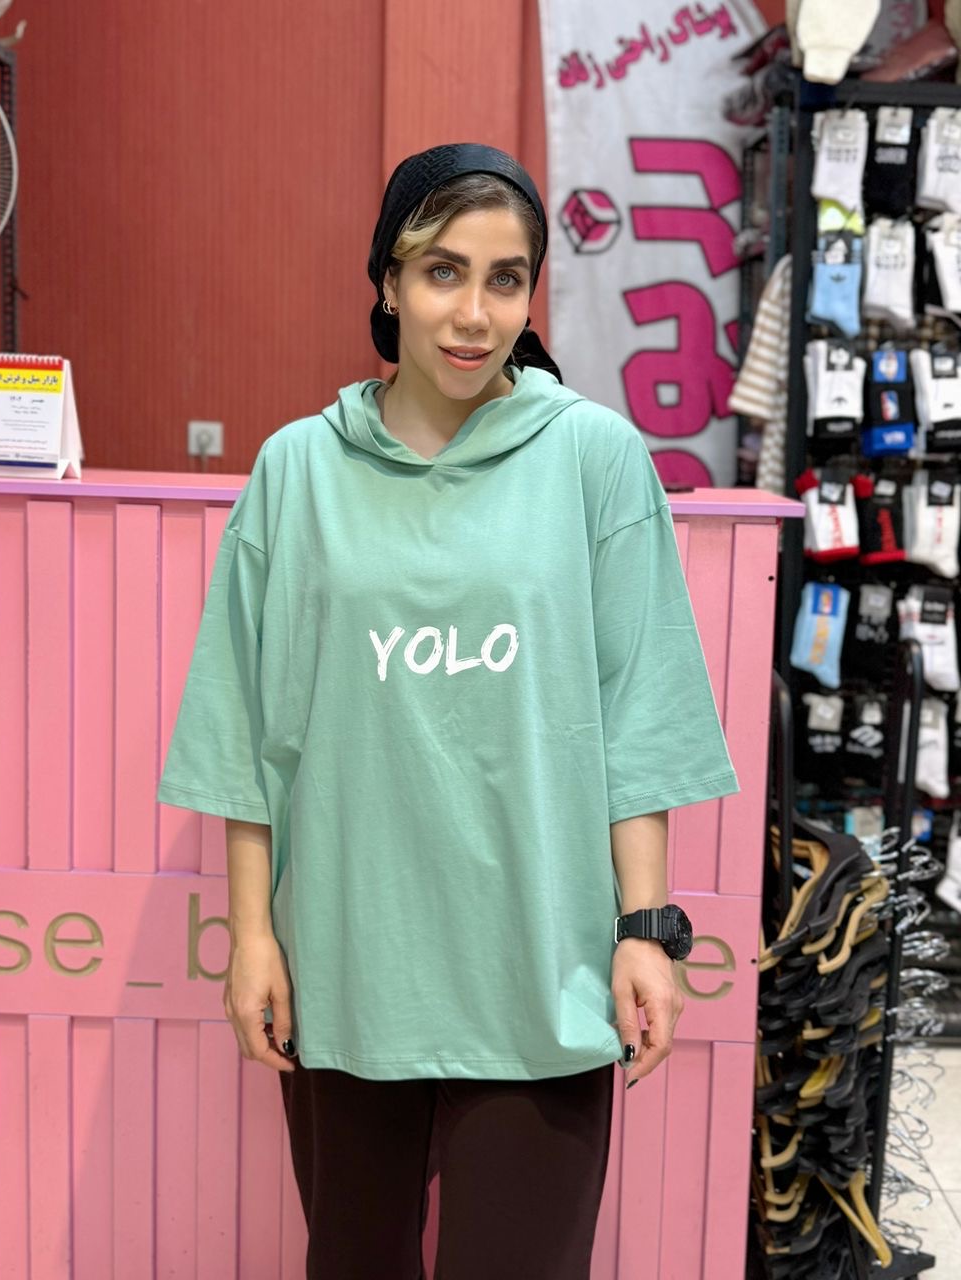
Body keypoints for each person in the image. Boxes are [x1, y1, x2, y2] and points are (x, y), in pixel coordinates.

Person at [156, 142, 739, 1279]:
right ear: (387, 281)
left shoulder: (595, 459)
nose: (474, 314)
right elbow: (245, 730)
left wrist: (645, 930)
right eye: (441, 272)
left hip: (542, 963)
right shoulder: (296, 470)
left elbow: (640, 712)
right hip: (346, 964)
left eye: (505, 279)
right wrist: (254, 936)